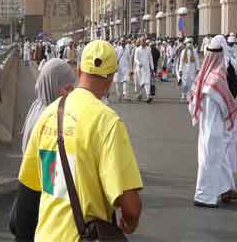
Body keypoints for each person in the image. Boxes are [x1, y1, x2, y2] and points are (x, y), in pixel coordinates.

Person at [12, 40, 143, 241]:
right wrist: (129, 222)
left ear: (80, 69)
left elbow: (28, 192)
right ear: (111, 76)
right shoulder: (108, 123)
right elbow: (131, 207)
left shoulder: (49, 115)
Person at [189, 35, 237, 208]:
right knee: (210, 162)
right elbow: (226, 106)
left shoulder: (204, 77)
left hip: (208, 128)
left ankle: (226, 189)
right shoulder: (216, 80)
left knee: (219, 160)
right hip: (214, 130)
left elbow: (193, 100)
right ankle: (204, 196)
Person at [21, 58, 77, 153]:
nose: (71, 93)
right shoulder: (48, 120)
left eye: (73, 88)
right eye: (67, 89)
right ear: (52, 86)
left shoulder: (38, 106)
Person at [177, 38, 199, 103]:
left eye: (190, 42)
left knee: (191, 84)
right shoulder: (183, 51)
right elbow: (181, 61)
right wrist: (180, 69)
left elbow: (197, 60)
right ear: (186, 44)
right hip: (184, 70)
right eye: (188, 42)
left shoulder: (194, 51)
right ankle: (183, 94)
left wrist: (198, 68)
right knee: (185, 84)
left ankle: (189, 98)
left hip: (192, 70)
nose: (189, 44)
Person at [134, 38, 155, 103]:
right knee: (141, 83)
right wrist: (138, 63)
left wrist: (152, 68)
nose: (143, 42)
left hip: (146, 69)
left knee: (147, 82)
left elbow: (150, 58)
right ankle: (140, 94)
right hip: (140, 69)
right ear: (140, 42)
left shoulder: (148, 49)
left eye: (144, 41)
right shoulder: (137, 49)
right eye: (142, 41)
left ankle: (148, 96)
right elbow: (135, 58)